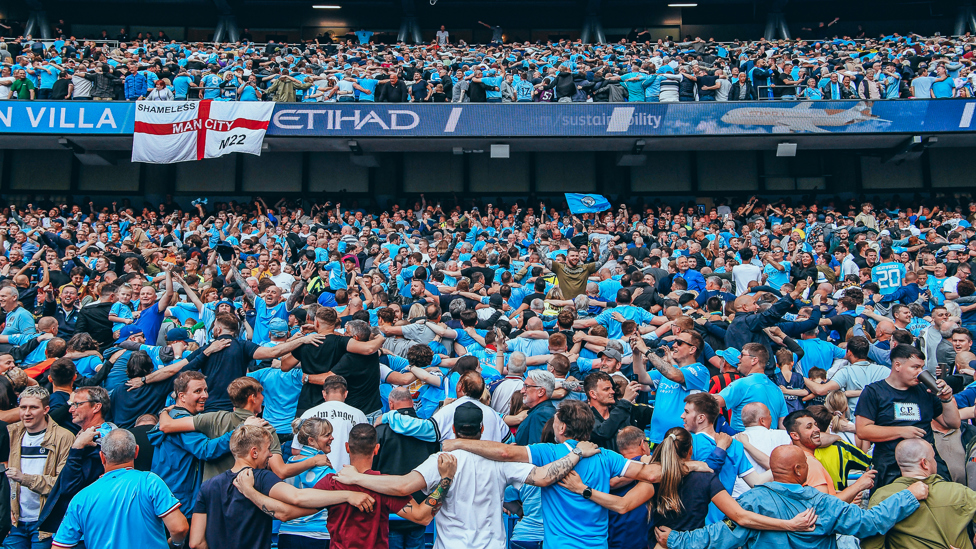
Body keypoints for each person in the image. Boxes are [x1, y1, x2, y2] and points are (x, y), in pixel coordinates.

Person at [441, 399, 709, 549]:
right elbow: (651, 473)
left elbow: (504, 453)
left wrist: (460, 442)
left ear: (561, 427)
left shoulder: (548, 451)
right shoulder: (607, 456)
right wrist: (689, 465)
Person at [334, 401, 602, 549]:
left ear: (453, 428)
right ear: (483, 428)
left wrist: (357, 478)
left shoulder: (440, 460)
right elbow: (544, 477)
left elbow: (404, 486)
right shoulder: (499, 461)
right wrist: (575, 453)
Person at [656, 445, 931, 549]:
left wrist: (676, 539)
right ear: (800, 469)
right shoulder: (822, 502)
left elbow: (719, 535)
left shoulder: (752, 501)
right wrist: (908, 495)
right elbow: (871, 522)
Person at [190, 424, 376, 549]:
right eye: (268, 450)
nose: (270, 455)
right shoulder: (260, 478)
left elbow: (196, 543)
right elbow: (297, 498)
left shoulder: (207, 486)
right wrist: (347, 495)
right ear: (254, 452)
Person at [50, 429, 189, 549]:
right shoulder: (150, 482)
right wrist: (175, 544)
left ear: (102, 457)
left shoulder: (81, 498)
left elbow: (60, 545)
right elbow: (179, 528)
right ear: (136, 451)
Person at [855, 344, 959, 487]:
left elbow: (952, 423)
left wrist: (946, 399)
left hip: (927, 464)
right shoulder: (874, 392)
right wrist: (902, 431)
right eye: (915, 367)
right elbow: (862, 430)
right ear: (897, 365)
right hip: (891, 466)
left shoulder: (925, 390)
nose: (920, 372)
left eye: (922, 368)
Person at [863, 438, 976, 549]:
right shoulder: (959, 492)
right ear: (924, 463)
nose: (936, 462)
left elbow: (871, 544)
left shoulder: (883, 496)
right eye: (933, 458)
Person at [373, 387, 441, 549]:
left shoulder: (380, 431)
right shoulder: (428, 432)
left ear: (391, 404)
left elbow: (371, 468)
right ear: (412, 403)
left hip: (390, 510)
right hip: (420, 508)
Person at [6, 386, 73, 549]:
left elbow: (61, 485)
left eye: (33, 407)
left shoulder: (63, 437)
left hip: (45, 523)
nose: (27, 413)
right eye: (23, 407)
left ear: (46, 410)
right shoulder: (11, 433)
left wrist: (24, 478)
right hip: (14, 523)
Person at [783, 409, 876, 502]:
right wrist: (858, 485)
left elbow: (816, 498)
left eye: (815, 425)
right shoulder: (809, 463)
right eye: (809, 427)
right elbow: (824, 505)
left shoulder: (795, 458)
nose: (817, 429)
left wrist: (847, 494)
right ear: (795, 436)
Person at [714, 342, 789, 431]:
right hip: (770, 443)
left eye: (742, 355)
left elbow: (712, 402)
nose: (738, 357)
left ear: (754, 360)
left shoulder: (743, 383)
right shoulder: (777, 389)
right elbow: (783, 425)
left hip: (743, 441)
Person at [299, 375, 368, 470]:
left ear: (324, 394)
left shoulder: (308, 414)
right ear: (346, 394)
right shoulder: (359, 415)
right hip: (348, 474)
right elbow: (367, 450)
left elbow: (296, 449)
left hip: (315, 474)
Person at [515, 369, 557, 445]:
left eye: (526, 386)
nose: (522, 391)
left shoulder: (541, 415)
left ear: (541, 391)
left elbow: (536, 451)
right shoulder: (542, 412)